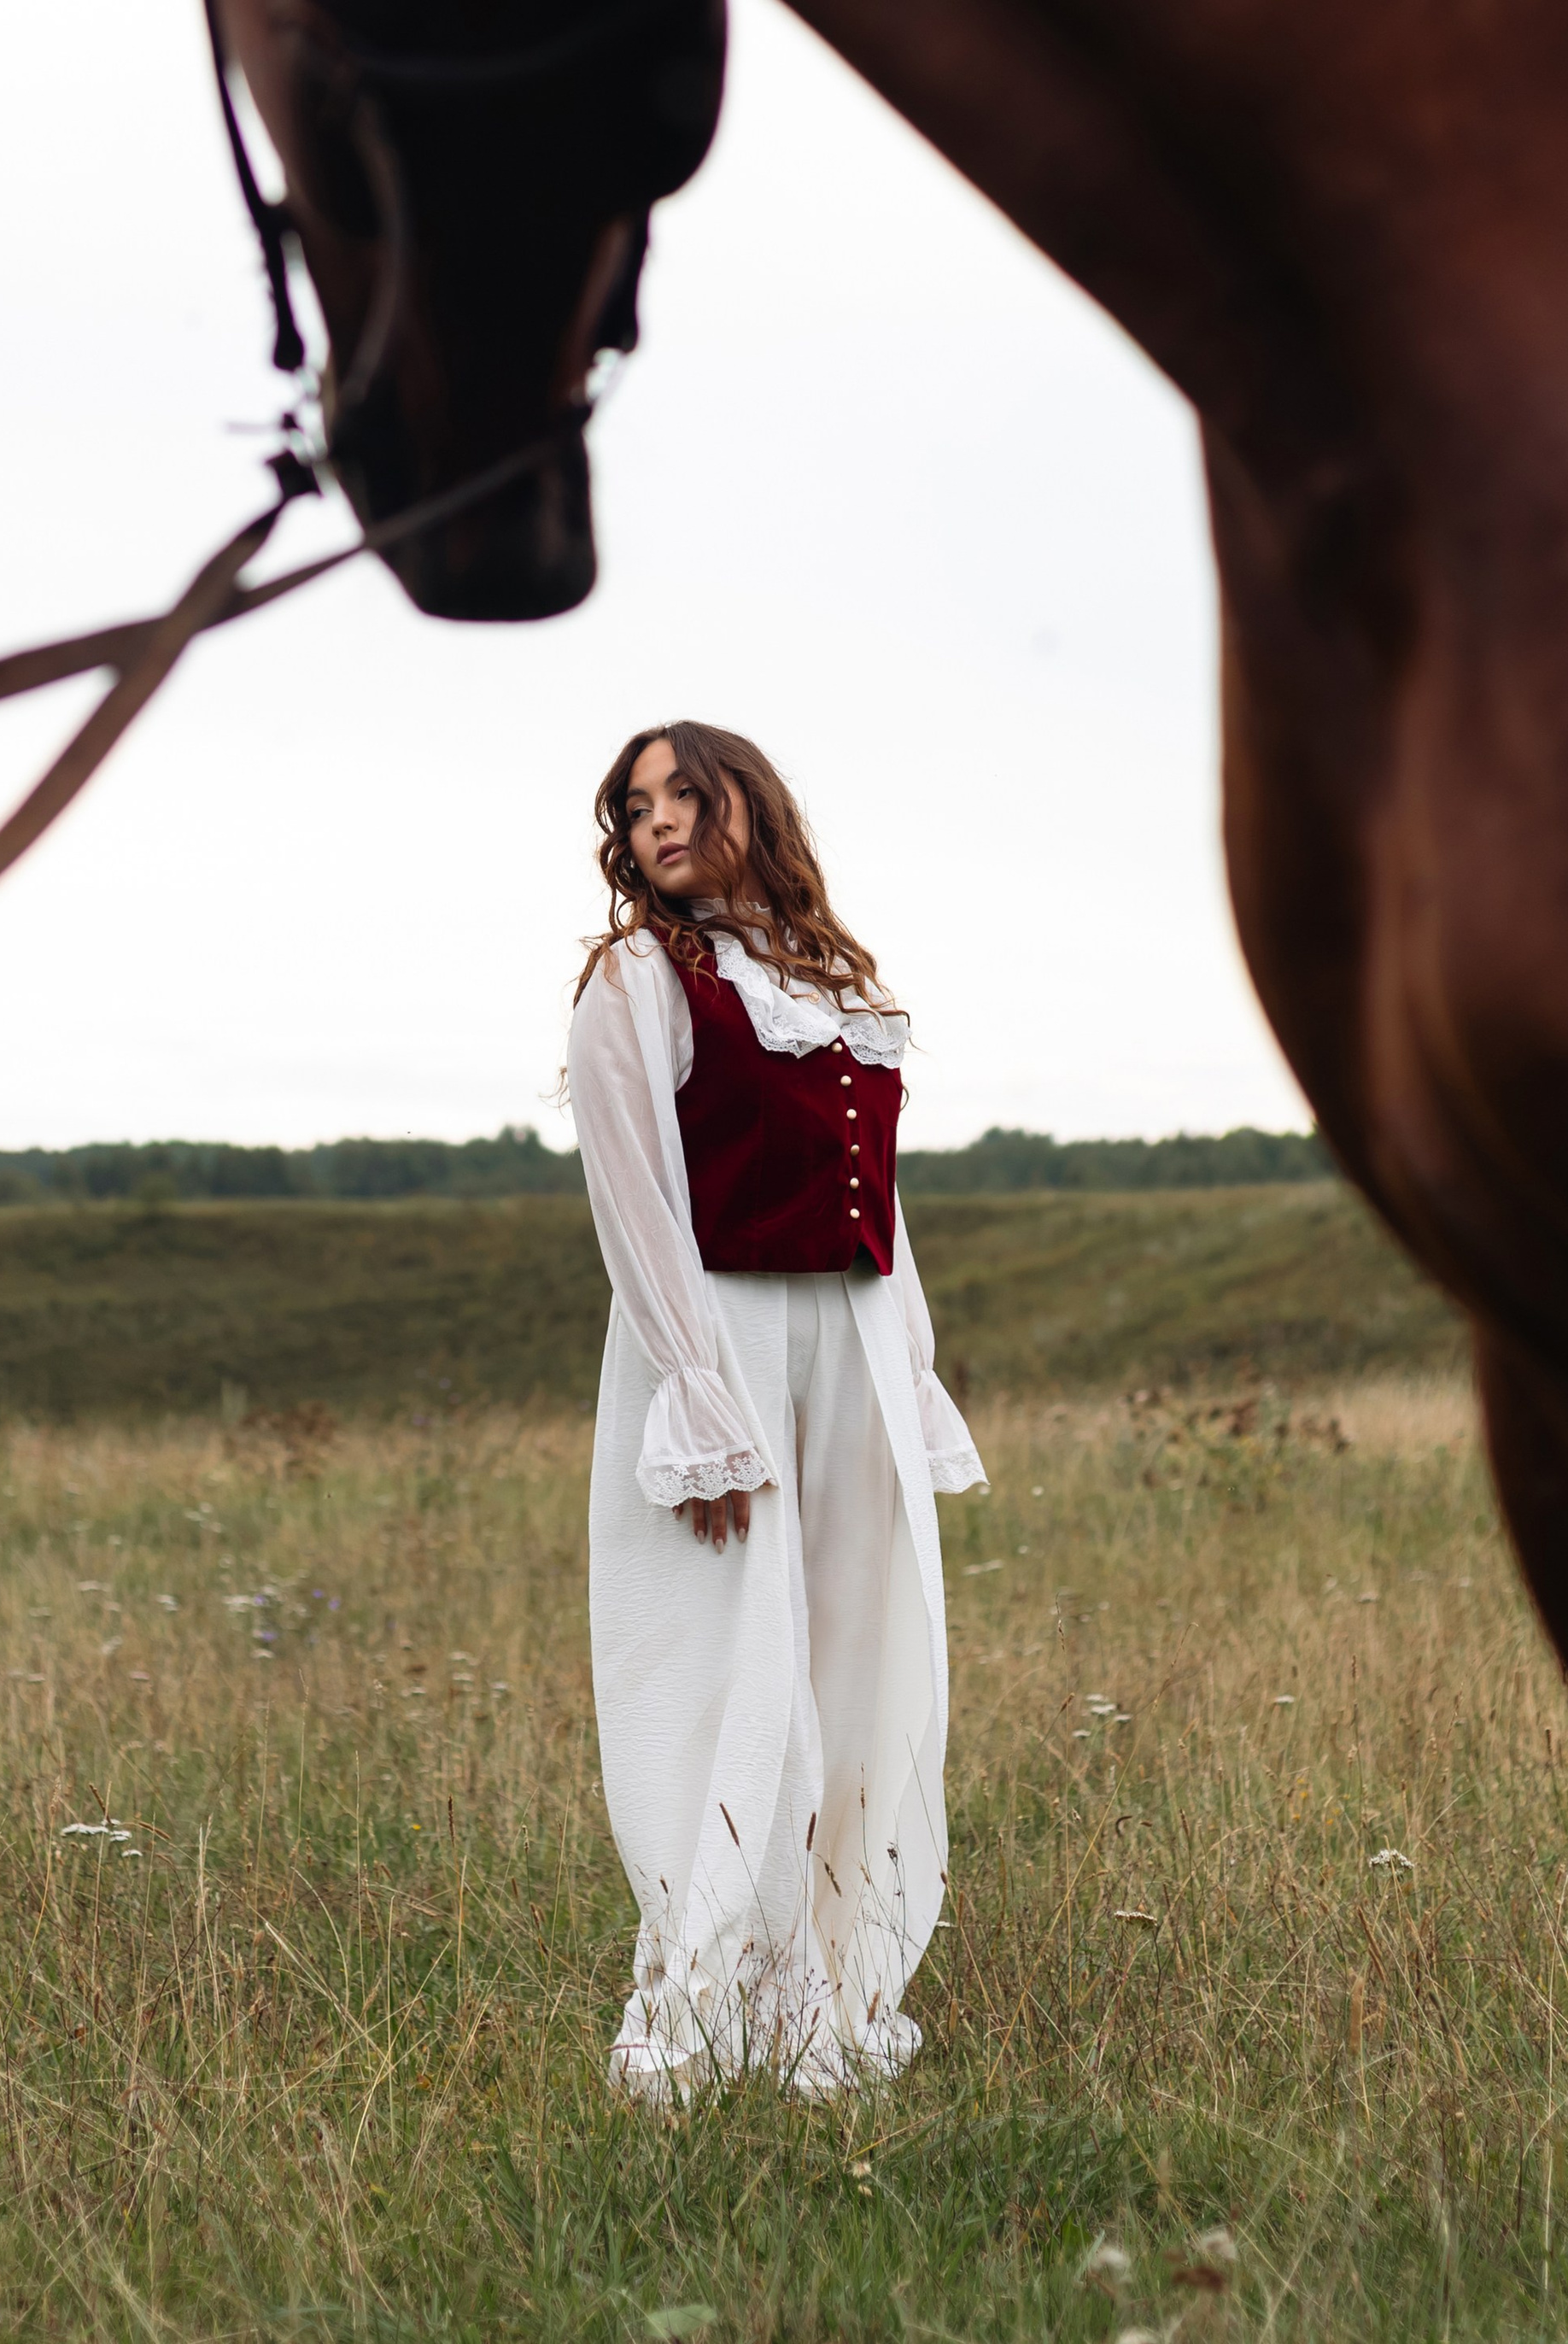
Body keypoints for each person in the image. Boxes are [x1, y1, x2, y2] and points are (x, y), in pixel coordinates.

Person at [565, 721, 985, 2103]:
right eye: (637, 805)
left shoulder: (836, 985)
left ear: (752, 803)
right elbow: (634, 1200)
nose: (660, 821)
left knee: (865, 1655)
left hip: (851, 1330)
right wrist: (697, 1398)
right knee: (735, 1661)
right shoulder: (640, 978)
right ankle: (697, 2006)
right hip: (724, 1330)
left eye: (687, 793)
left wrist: (909, 1367)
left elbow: (887, 1209)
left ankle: (827, 1998)